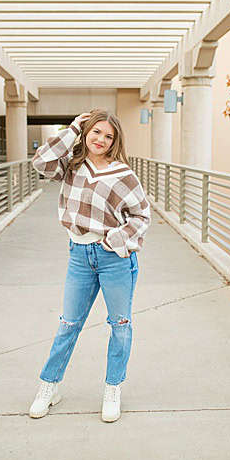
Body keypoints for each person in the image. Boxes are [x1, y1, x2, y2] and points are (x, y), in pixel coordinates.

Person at [27, 109, 150, 423]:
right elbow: (41, 162)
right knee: (68, 324)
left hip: (114, 259)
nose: (101, 140)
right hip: (79, 256)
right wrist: (73, 128)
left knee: (120, 325)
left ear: (114, 142)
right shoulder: (72, 166)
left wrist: (114, 241)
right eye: (96, 132)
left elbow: (142, 217)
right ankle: (49, 386)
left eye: (108, 136)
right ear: (87, 131)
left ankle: (112, 388)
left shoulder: (123, 174)